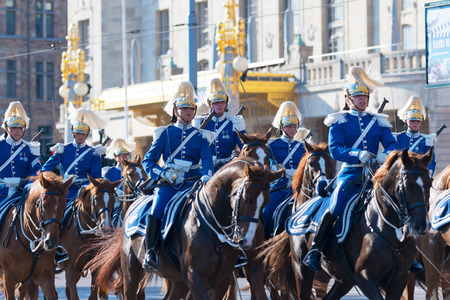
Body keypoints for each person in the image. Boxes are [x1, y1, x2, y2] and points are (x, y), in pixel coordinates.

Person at [302, 66, 400, 272]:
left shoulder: (378, 121)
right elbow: (335, 149)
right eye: (357, 97)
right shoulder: (339, 121)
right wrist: (357, 154)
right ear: (348, 100)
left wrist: (385, 155)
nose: (362, 100)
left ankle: (406, 251)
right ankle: (316, 249)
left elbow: (392, 144)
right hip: (351, 173)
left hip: (375, 174)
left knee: (398, 203)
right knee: (336, 206)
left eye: (364, 97)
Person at [142, 81, 214, 271]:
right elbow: (148, 162)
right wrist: (163, 173)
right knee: (156, 209)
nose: (188, 112)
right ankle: (151, 252)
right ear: (175, 111)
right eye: (184, 108)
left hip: (192, 183)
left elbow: (207, 161)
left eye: (191, 109)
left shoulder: (201, 136)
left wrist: (207, 176)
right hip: (169, 184)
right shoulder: (165, 134)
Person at [42, 103, 108, 203]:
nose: (80, 136)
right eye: (78, 133)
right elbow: (46, 169)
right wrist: (57, 183)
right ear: (73, 133)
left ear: (86, 135)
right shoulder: (63, 149)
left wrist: (86, 186)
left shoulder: (93, 153)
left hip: (85, 191)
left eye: (83, 134)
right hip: (65, 191)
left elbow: (96, 177)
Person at [262, 101, 307, 233]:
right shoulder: (272, 145)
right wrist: (273, 167)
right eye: (289, 127)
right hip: (280, 185)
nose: (292, 129)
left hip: (299, 186)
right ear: (282, 128)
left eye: (294, 126)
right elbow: (266, 163)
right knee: (267, 212)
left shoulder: (302, 146)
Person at [193, 78, 245, 171]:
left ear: (226, 104)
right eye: (216, 103)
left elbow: (244, 147)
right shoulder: (199, 122)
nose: (219, 105)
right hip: (204, 168)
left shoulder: (235, 123)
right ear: (210, 105)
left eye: (222, 102)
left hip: (227, 168)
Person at [0, 101, 41, 204]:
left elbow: (36, 170)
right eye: (13, 128)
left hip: (22, 193)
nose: (17, 131)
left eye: (20, 128)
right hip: (1, 192)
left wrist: (31, 183)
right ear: (6, 129)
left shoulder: (29, 148)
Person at [394, 96, 436, 177]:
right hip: (400, 176)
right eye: (412, 121)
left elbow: (430, 161)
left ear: (421, 123)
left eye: (418, 121)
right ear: (406, 121)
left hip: (419, 176)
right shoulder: (398, 138)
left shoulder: (427, 140)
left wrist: (428, 175)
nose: (415, 123)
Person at [103, 138, 136, 227]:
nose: (122, 157)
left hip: (129, 200)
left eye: (125, 155)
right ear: (116, 157)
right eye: (120, 155)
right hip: (115, 202)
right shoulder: (110, 171)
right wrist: (116, 190)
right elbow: (106, 185)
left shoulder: (131, 170)